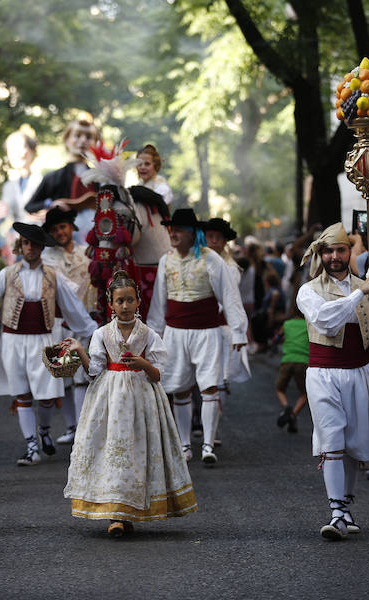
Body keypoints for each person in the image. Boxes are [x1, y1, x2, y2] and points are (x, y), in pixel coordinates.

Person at [62, 271, 197, 536]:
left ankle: (132, 511)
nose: (125, 306)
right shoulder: (101, 334)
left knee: (137, 453)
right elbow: (95, 371)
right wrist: (80, 350)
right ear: (110, 304)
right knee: (112, 452)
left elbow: (158, 374)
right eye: (120, 301)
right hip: (109, 402)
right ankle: (116, 515)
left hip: (142, 401)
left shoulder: (149, 335)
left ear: (138, 303)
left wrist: (144, 364)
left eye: (130, 300)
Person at [296, 223, 369, 540]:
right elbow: (326, 322)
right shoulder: (309, 291)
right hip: (322, 375)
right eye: (328, 251)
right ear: (321, 253)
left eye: (340, 250)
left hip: (360, 373)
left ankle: (345, 507)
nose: (334, 256)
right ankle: (337, 512)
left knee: (355, 444)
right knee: (331, 439)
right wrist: (360, 292)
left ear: (349, 252)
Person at [0, 222, 97, 465]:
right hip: (13, 339)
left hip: (44, 340)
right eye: (25, 243)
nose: (30, 247)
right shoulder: (6, 274)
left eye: (34, 243)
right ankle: (31, 446)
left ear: (42, 247)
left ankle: (43, 430)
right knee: (22, 393)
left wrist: (94, 333)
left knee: (45, 395)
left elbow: (73, 308)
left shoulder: (54, 276)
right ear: (19, 246)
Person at [146, 208, 247, 465]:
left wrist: (237, 331)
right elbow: (159, 302)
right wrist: (153, 334)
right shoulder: (165, 261)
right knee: (179, 388)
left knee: (209, 385)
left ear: (192, 234)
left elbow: (229, 296)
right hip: (176, 332)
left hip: (207, 331)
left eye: (178, 229)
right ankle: (184, 445)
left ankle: (208, 445)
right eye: (171, 229)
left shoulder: (211, 259)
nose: (173, 234)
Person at [41, 207, 96, 443]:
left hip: (88, 321)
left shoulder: (88, 253)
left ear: (71, 227)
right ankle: (72, 427)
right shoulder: (47, 257)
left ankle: (86, 429)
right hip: (61, 323)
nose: (60, 232)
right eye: (54, 229)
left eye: (63, 227)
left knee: (85, 375)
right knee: (64, 375)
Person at [203, 218, 251, 442]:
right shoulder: (198, 261)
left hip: (221, 326)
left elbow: (227, 302)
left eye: (218, 238)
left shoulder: (230, 268)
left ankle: (211, 431)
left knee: (219, 379)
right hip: (201, 326)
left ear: (224, 242)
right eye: (209, 236)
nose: (213, 241)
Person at [25, 119, 100, 241]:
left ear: (95, 143)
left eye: (88, 137)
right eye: (77, 135)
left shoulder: (99, 179)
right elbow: (30, 206)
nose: (83, 140)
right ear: (67, 139)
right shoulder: (53, 178)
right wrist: (50, 204)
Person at [275, 304, 308, 432]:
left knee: (279, 389)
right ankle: (293, 414)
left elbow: (277, 338)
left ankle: (286, 407)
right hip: (304, 362)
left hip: (287, 360)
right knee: (305, 394)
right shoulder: (308, 325)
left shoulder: (287, 324)